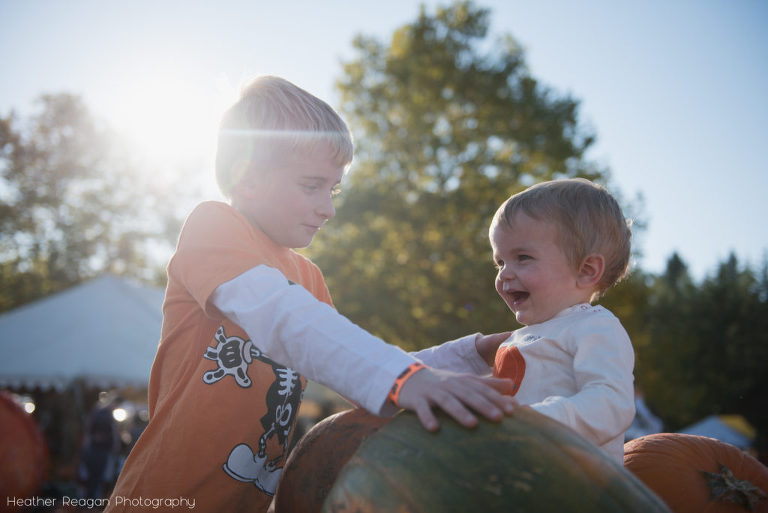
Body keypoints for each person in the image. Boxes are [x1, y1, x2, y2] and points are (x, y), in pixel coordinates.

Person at [104, 76, 515, 512]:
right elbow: (282, 317)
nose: (329, 207)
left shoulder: (307, 276)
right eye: (311, 186)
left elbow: (350, 366)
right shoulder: (214, 228)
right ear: (247, 179)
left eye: (333, 189)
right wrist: (404, 378)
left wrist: (470, 355)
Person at [480, 178, 635, 463]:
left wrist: (534, 421)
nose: (504, 275)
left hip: (579, 485)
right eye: (500, 262)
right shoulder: (521, 338)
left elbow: (612, 404)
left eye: (523, 257)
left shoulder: (594, 326)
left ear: (587, 270)